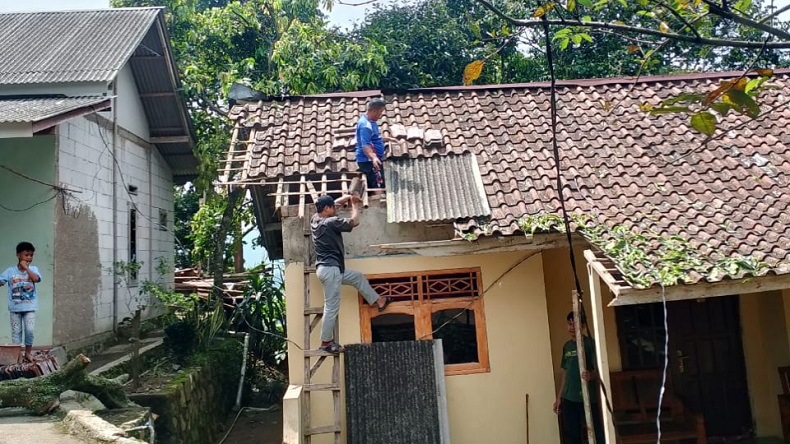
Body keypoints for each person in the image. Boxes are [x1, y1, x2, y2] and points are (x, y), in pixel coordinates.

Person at [312, 194, 391, 353]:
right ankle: (326, 342)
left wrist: (347, 196)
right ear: (326, 209)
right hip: (331, 270)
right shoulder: (331, 222)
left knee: (357, 277)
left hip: (329, 269)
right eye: (333, 208)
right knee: (331, 306)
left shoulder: (315, 219)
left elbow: (334, 203)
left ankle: (379, 300)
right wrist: (354, 204)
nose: (336, 209)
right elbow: (354, 222)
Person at [553, 311, 605, 444]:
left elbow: (598, 370)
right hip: (569, 397)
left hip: (587, 396)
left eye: (575, 324)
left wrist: (590, 375)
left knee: (595, 431)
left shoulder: (589, 344)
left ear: (582, 326)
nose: (571, 327)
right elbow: (565, 372)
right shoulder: (567, 346)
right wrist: (559, 397)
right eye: (569, 324)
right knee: (572, 434)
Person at [0, 242, 42, 363]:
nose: (29, 258)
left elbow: (36, 279)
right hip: (15, 309)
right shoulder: (10, 271)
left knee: (29, 330)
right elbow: (1, 281)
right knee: (16, 333)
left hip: (29, 307)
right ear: (18, 255)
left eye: (31, 255)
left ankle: (28, 353)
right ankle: (18, 355)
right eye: (26, 255)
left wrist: (26, 268)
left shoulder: (33, 269)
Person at [355, 97, 391, 190]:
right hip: (368, 161)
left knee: (380, 182)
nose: (381, 115)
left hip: (372, 159)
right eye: (380, 112)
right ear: (374, 111)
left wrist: (387, 139)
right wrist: (374, 158)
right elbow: (365, 145)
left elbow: (373, 139)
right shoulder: (365, 125)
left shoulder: (370, 121)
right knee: (377, 186)